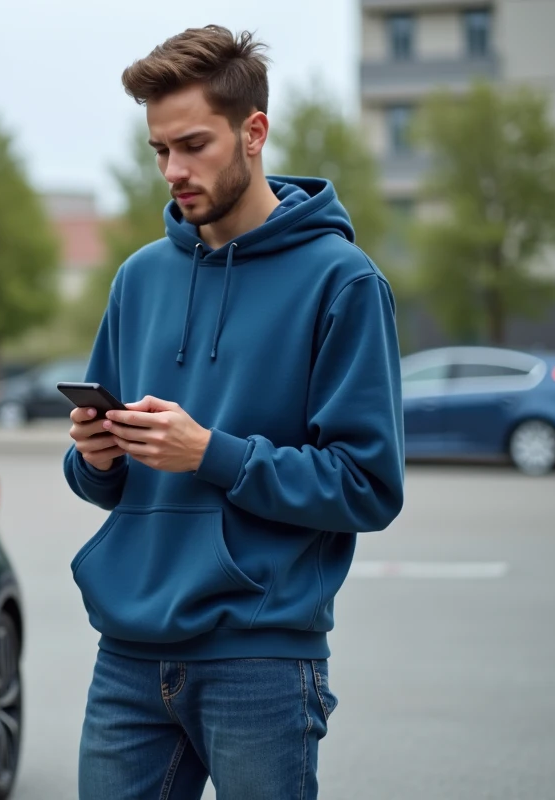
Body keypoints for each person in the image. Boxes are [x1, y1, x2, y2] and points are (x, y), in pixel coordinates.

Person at [62, 24, 405, 800]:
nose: (173, 171)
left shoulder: (343, 283)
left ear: (254, 133)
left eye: (193, 145)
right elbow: (99, 484)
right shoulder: (139, 278)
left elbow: (368, 487)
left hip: (262, 657)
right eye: (159, 150)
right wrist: (97, 456)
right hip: (128, 654)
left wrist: (212, 453)